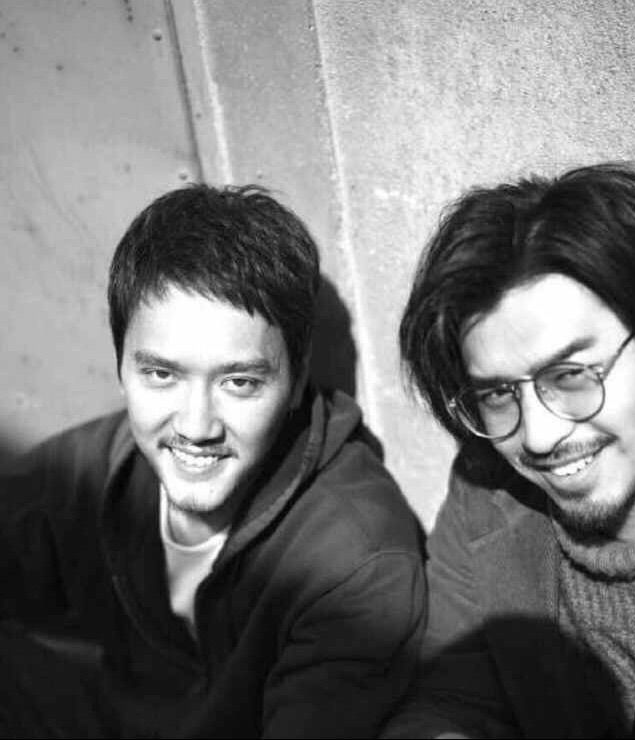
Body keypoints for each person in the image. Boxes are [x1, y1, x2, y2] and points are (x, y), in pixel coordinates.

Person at [0, 184, 425, 738]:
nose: (196, 427)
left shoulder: (355, 563)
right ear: (122, 368)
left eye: (239, 382)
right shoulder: (99, 467)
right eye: (162, 375)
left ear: (297, 381)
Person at [384, 162, 635, 738]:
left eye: (572, 374)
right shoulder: (487, 493)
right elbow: (454, 693)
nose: (537, 435)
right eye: (499, 394)